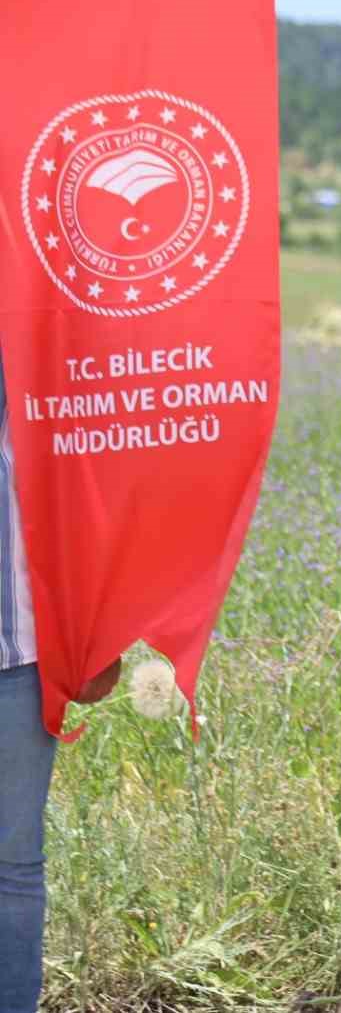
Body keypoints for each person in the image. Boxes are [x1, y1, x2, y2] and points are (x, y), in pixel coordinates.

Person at [0, 352, 120, 1013]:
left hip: (18, 662)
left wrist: (96, 635)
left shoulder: (43, 371)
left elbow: (85, 503)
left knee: (13, 868)